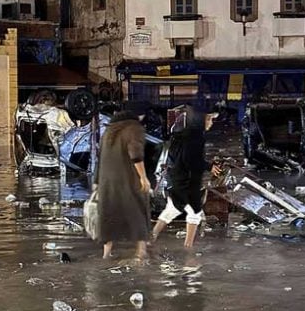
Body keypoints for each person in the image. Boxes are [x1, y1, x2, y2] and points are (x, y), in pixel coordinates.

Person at [152, 105, 220, 248]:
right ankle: (188, 248)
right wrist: (208, 167)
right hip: (182, 180)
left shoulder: (185, 133)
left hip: (175, 178)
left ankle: (151, 237)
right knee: (194, 212)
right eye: (209, 119)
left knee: (172, 209)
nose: (211, 123)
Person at [94, 110, 151, 261]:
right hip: (128, 179)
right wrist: (143, 177)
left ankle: (106, 254)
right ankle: (141, 251)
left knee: (109, 215)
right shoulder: (134, 128)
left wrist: (96, 181)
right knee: (138, 211)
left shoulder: (109, 131)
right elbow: (136, 154)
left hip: (107, 182)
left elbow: (100, 157)